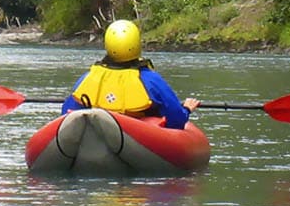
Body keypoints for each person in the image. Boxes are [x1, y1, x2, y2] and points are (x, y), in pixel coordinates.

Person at [62, 19, 199, 129]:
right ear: (137, 44)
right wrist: (186, 109)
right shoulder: (151, 80)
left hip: (96, 137)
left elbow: (66, 115)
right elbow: (176, 121)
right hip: (136, 140)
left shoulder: (88, 78)